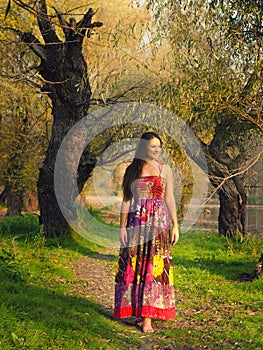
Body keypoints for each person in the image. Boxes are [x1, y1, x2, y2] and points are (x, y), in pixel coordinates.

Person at [114, 131, 180, 333]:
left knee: (153, 269)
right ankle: (138, 311)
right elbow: (126, 200)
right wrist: (122, 226)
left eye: (159, 146)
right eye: (153, 146)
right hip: (137, 226)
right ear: (144, 147)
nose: (156, 149)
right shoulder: (133, 169)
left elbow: (169, 198)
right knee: (136, 268)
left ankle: (148, 319)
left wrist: (175, 225)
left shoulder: (165, 169)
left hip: (159, 227)